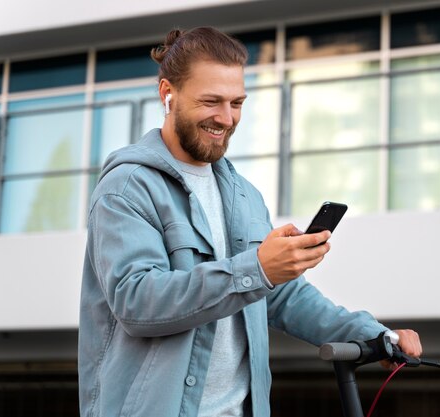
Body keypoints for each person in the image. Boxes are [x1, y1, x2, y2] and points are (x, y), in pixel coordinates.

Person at [78, 26, 422, 417]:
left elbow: (281, 296)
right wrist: (257, 268)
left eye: (237, 103)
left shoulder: (244, 194)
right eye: (211, 101)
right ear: (167, 94)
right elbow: (136, 301)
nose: (226, 119)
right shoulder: (126, 187)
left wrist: (373, 335)